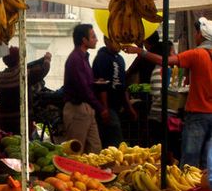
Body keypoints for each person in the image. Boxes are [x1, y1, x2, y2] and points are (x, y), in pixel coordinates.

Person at [124, 17, 212, 168]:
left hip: (197, 114)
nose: (195, 35)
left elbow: (164, 61)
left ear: (201, 34)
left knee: (189, 162)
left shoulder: (197, 54)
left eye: (196, 32)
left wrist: (140, 52)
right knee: (206, 161)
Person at [62, 24, 108, 154]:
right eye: (93, 37)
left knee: (95, 148)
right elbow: (83, 89)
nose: (96, 39)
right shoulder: (76, 59)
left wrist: (94, 82)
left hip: (86, 108)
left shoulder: (83, 57)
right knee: (76, 151)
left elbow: (84, 84)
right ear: (84, 40)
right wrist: (100, 108)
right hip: (77, 108)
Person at [0, 46, 51, 136]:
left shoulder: (0, 77)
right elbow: (43, 71)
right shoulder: (22, 75)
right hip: (22, 120)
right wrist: (47, 59)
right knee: (22, 145)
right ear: (19, 59)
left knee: (9, 144)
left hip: (5, 121)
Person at [92, 36, 137, 148]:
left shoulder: (120, 59)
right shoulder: (102, 58)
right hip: (107, 107)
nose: (118, 44)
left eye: (119, 41)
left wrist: (129, 108)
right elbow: (102, 86)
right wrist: (105, 108)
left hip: (117, 107)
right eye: (115, 41)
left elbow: (122, 86)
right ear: (107, 41)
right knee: (115, 141)